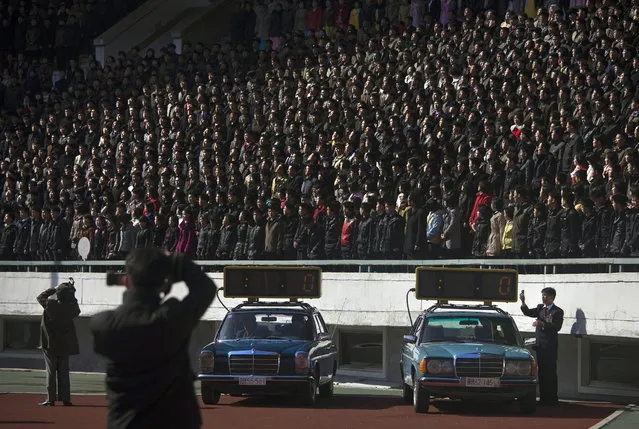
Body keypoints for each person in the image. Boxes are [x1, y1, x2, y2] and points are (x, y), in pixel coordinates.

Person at [90, 248, 217, 429]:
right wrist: (177, 261)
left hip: (126, 422)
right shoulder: (172, 318)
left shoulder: (103, 325)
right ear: (163, 285)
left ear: (127, 282)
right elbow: (205, 287)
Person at [37, 280, 81, 406]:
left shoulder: (50, 305)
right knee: (64, 373)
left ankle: (50, 399)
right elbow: (77, 310)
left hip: (50, 344)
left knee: (51, 372)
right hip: (64, 344)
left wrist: (55, 288)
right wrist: (72, 293)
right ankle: (66, 399)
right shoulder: (70, 308)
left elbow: (41, 297)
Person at [520, 287, 564, 406]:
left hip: (550, 347)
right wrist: (523, 302)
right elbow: (528, 312)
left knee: (550, 372)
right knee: (542, 372)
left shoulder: (557, 311)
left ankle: (552, 398)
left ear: (552, 297)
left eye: (546, 296)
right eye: (543, 296)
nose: (543, 298)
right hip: (540, 346)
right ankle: (544, 398)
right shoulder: (540, 308)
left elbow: (557, 326)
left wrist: (542, 323)